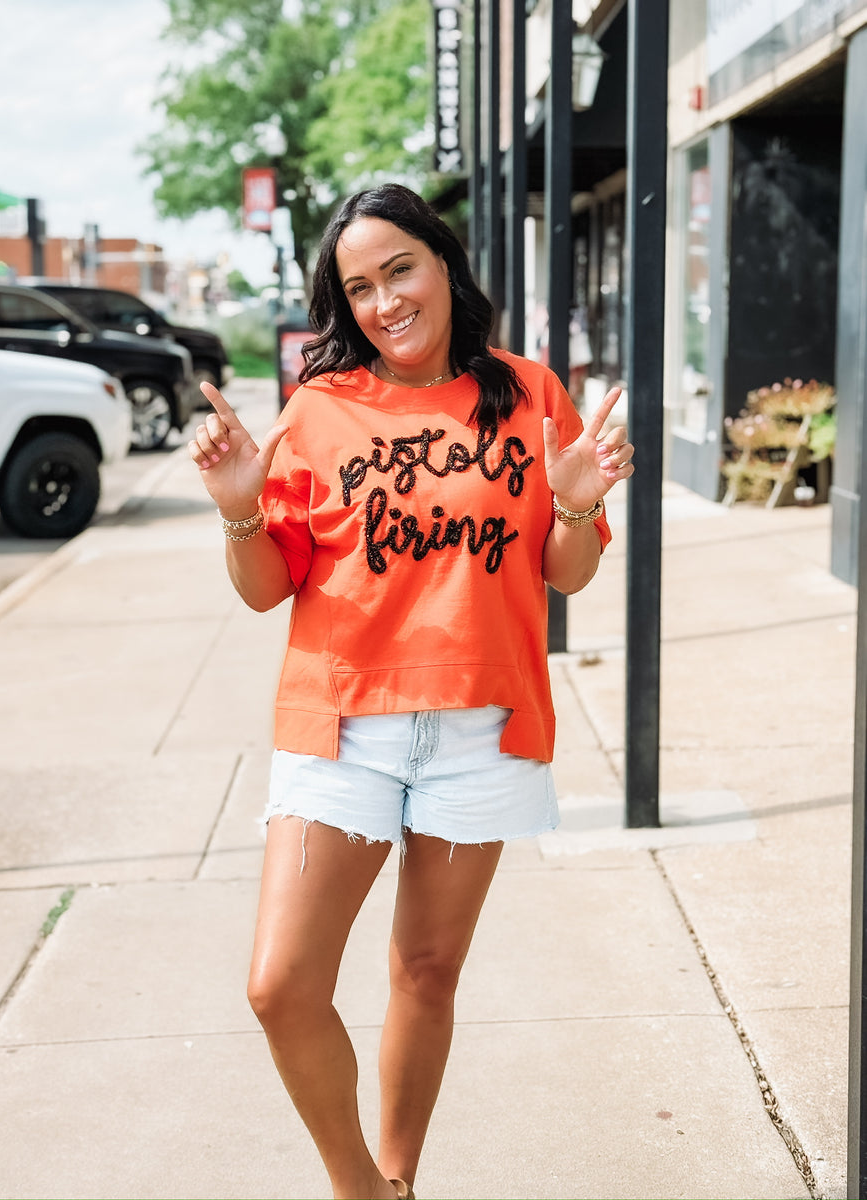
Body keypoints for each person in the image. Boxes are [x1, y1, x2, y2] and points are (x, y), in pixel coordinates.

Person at [188, 183, 634, 1200]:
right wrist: (239, 511)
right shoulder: (319, 408)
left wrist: (573, 506)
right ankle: (363, 1191)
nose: (386, 301)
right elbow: (268, 593)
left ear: (443, 265)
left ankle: (402, 1175)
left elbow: (567, 571)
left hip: (483, 725)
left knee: (425, 977)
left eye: (401, 269)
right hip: (340, 723)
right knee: (281, 986)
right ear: (342, 306)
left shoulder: (526, 392)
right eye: (360, 286)